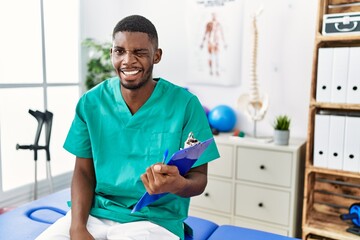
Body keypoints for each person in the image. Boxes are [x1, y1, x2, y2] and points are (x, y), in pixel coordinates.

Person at [35, 15, 219, 240]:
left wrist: (177, 184)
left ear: (156, 56)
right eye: (119, 51)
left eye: (139, 52)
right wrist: (77, 227)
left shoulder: (185, 105)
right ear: (112, 53)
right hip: (96, 213)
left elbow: (199, 179)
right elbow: (83, 171)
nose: (128, 61)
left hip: (153, 220)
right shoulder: (91, 103)